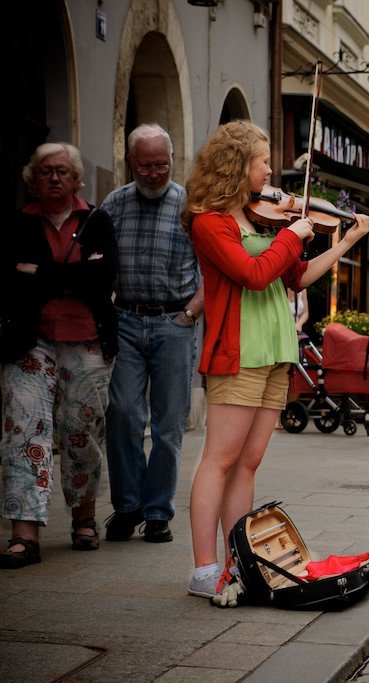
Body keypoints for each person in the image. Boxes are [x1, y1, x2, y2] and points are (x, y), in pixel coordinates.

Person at [183, 121, 369, 597]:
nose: (271, 171)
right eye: (263, 161)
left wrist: (346, 241)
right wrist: (293, 236)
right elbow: (252, 273)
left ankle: (237, 564)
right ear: (236, 166)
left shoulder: (262, 220)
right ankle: (204, 569)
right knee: (219, 459)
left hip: (276, 352)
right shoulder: (210, 223)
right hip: (239, 350)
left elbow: (297, 277)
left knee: (248, 462)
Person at [0, 142, 118, 568]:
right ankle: (24, 532)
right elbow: (11, 282)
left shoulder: (98, 221)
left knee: (81, 430)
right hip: (29, 340)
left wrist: (42, 274)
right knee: (23, 427)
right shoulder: (17, 224)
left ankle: (84, 517)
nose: (54, 177)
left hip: (87, 338)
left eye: (63, 171)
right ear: (33, 179)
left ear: (76, 179)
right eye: (46, 171)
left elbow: (102, 277)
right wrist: (73, 275)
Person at [102, 124, 203, 544]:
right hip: (125, 319)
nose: (154, 173)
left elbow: (213, 271)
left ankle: (158, 512)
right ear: (131, 163)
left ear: (173, 160)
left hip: (174, 321)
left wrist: (191, 312)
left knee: (168, 425)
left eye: (161, 164)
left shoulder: (191, 206)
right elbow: (97, 264)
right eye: (145, 165)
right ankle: (127, 507)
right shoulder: (113, 205)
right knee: (122, 414)